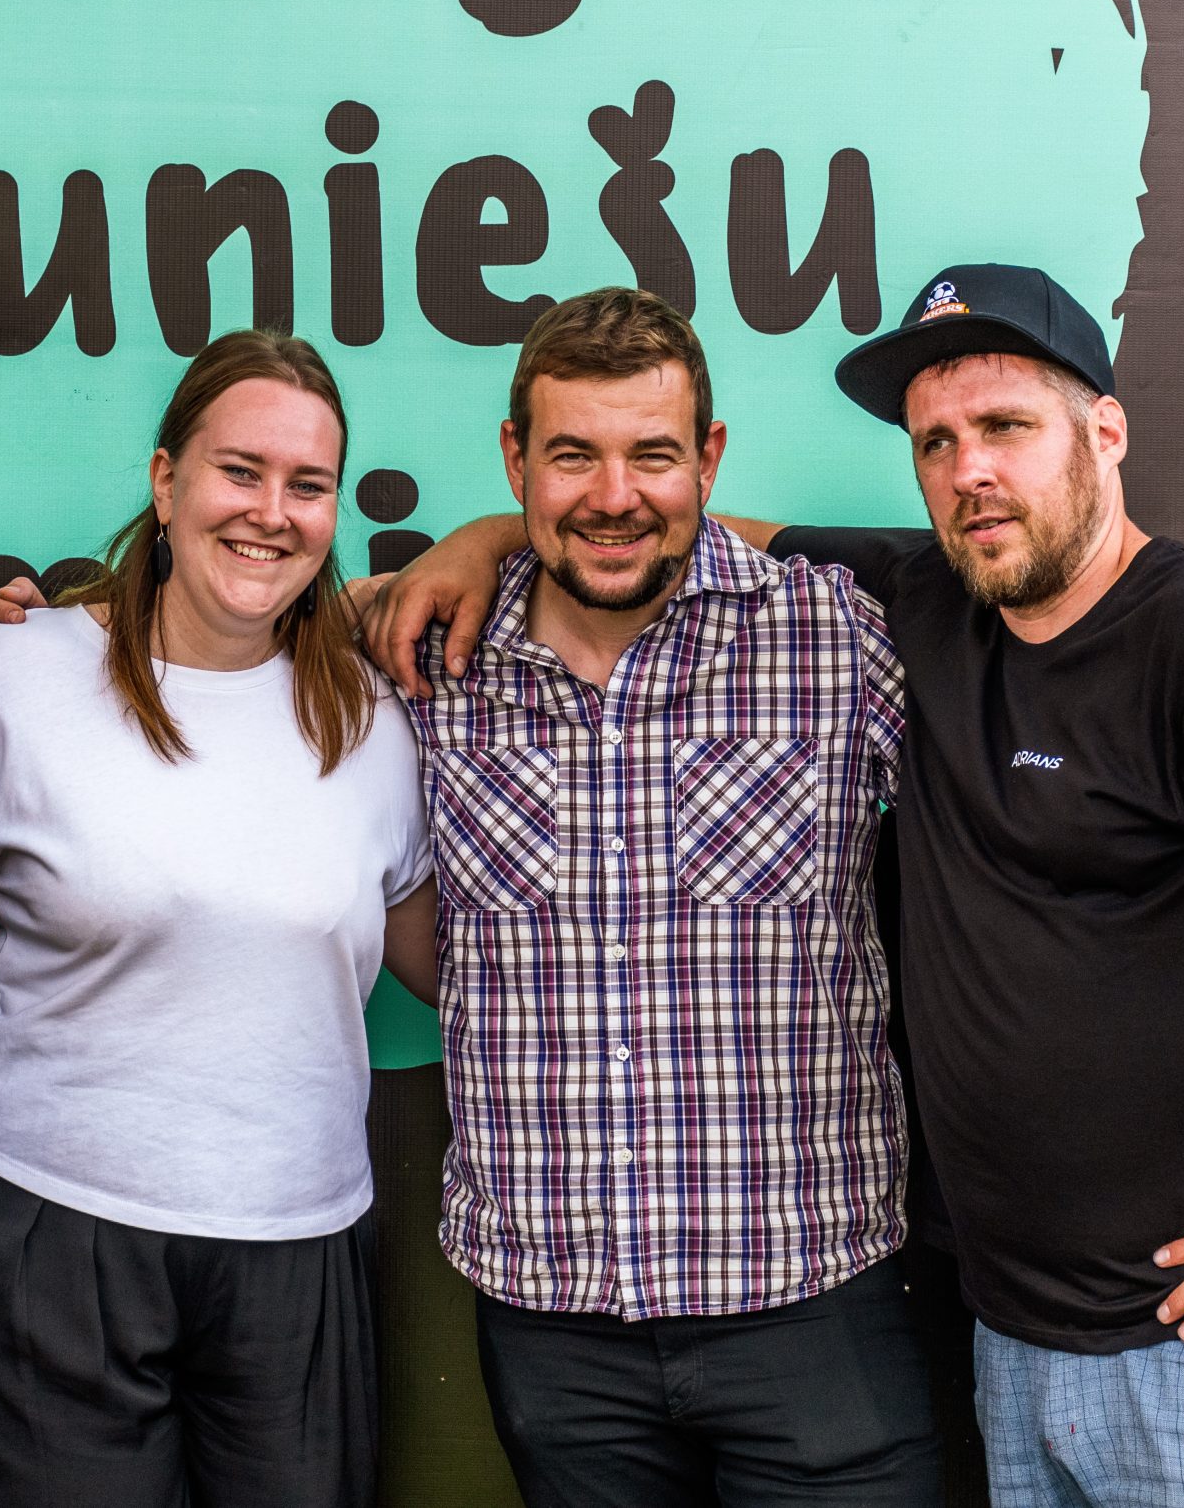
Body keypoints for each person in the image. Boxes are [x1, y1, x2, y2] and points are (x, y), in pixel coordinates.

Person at [366, 263, 1184, 1508]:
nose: (969, 470)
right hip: (1011, 1331)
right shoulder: (929, 604)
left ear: (1105, 431)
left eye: (1005, 426)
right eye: (935, 442)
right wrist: (485, 539)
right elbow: (647, 530)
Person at [384, 287, 937, 1505]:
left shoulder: (835, 636)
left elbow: (1045, 633)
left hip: (812, 1298)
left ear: (708, 459)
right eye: (570, 455)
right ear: (515, 460)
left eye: (652, 454)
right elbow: (219, 635)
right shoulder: (429, 664)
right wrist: (41, 632)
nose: (613, 494)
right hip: (553, 1320)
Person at [0, 330, 435, 1508]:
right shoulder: (14, 675)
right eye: (238, 472)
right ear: (166, 482)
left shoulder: (374, 720)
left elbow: (460, 971)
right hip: (47, 1241)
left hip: (299, 1246)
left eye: (307, 485)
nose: (270, 513)